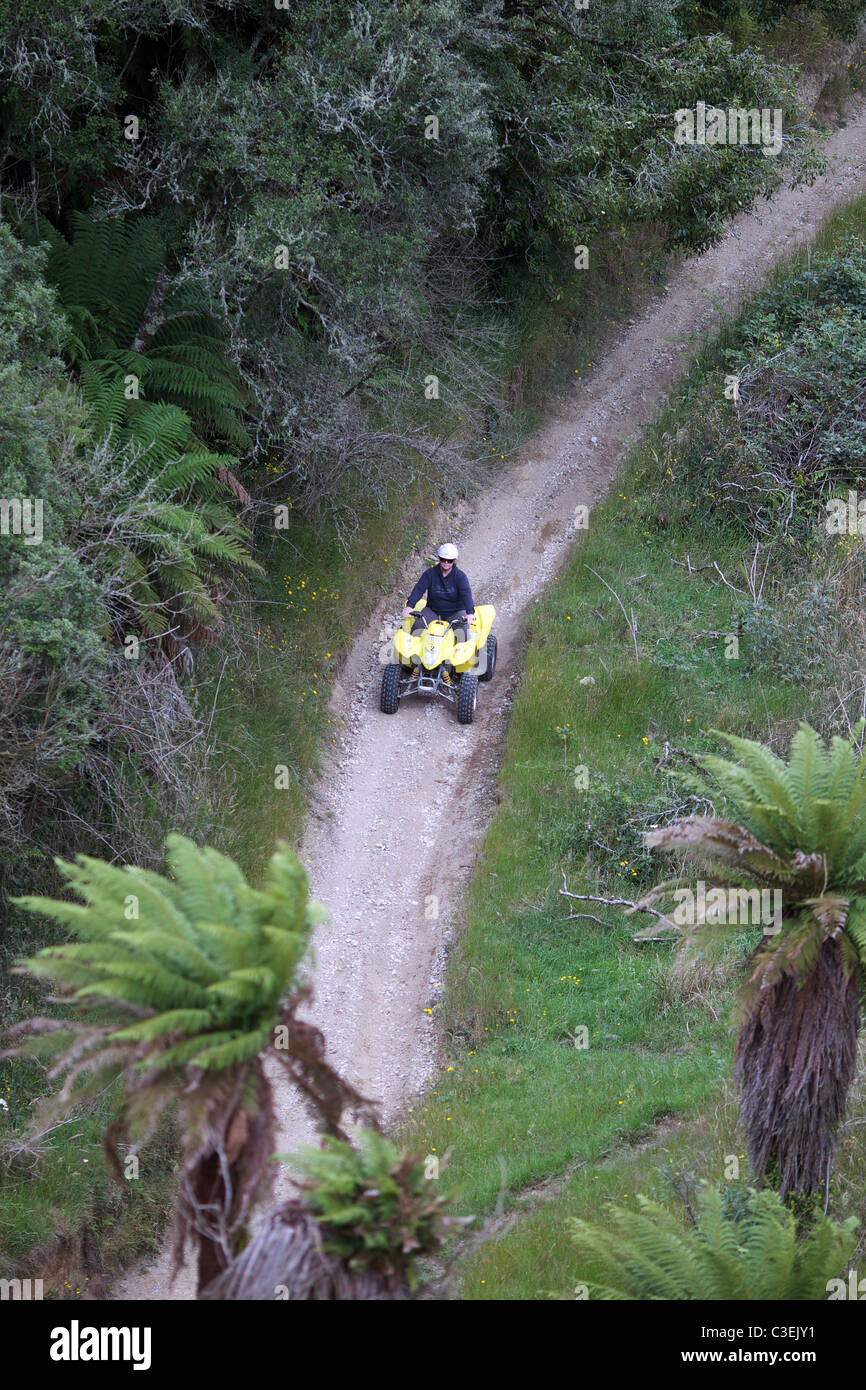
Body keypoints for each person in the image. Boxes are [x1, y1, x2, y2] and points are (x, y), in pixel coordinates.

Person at [402, 543, 475, 642]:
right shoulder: (430, 574)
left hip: (455, 612)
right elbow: (419, 589)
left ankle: (458, 656)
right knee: (417, 627)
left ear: (454, 561)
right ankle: (414, 655)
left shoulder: (460, 577)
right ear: (439, 558)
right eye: (442, 559)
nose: (446, 563)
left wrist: (470, 613)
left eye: (449, 561)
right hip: (433, 611)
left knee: (463, 634)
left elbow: (466, 594)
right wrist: (409, 606)